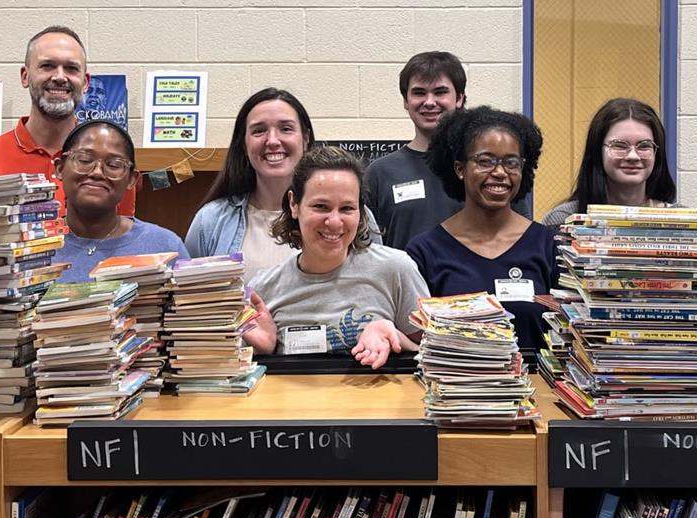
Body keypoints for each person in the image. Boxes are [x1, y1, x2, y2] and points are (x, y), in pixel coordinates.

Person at [244, 146, 429, 369]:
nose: (334, 222)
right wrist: (265, 353)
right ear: (294, 204)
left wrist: (396, 337)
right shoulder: (263, 290)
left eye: (347, 208)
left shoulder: (397, 270)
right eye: (320, 206)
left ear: (360, 211)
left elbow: (433, 359)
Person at [187, 88, 381, 280]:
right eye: (259, 130)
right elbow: (188, 298)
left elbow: (376, 286)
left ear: (305, 138)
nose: (272, 141)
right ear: (244, 144)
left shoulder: (354, 218)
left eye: (286, 129)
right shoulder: (210, 221)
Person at [0, 26, 137, 217]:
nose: (60, 77)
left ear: (85, 82)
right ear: (25, 76)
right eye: (47, 66)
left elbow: (121, 241)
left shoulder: (114, 171)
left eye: (71, 68)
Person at [406, 107, 555, 350]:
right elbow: (420, 341)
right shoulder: (425, 251)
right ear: (459, 169)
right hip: (455, 385)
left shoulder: (548, 245)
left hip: (536, 387)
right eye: (485, 161)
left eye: (511, 162)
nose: (499, 172)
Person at [366, 51, 530, 249]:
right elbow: (367, 250)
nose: (429, 102)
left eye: (440, 92)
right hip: (404, 281)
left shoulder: (492, 169)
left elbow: (522, 236)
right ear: (405, 101)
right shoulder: (380, 173)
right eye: (419, 93)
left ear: (460, 98)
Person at [48, 119, 188, 283]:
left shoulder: (166, 247)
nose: (97, 172)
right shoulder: (28, 250)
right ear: (60, 168)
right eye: (84, 160)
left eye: (114, 164)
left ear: (131, 180)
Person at [542, 98, 679, 227]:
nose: (633, 156)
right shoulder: (562, 219)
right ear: (597, 151)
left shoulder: (681, 220)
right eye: (619, 145)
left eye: (644, 146)